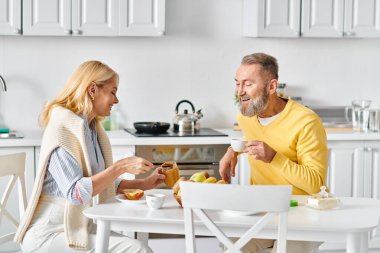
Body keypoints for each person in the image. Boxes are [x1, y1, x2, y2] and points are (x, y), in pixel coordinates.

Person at [14, 60, 165, 252]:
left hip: (79, 225)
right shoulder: (63, 129)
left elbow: (101, 181)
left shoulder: (91, 129)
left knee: (139, 247)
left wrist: (144, 184)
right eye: (112, 92)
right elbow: (76, 193)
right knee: (138, 250)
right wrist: (120, 167)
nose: (116, 100)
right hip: (50, 233)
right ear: (93, 90)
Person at [219, 53, 328, 253]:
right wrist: (234, 150)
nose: (240, 92)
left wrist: (274, 158)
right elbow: (259, 138)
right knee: (230, 246)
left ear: (271, 87)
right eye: (237, 83)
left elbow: (316, 183)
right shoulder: (247, 116)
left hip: (303, 214)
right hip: (262, 210)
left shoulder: (306, 121)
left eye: (248, 84)